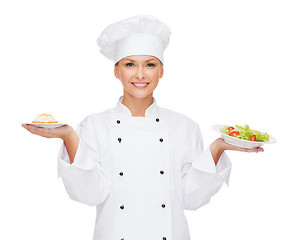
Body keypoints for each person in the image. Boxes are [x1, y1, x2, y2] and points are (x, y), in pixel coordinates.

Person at [22, 15, 263, 240]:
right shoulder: (94, 125)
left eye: (149, 65)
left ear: (162, 71)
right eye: (129, 64)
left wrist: (218, 148)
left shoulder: (184, 126)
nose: (140, 74)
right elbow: (89, 194)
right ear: (116, 71)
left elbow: (190, 198)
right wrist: (68, 136)